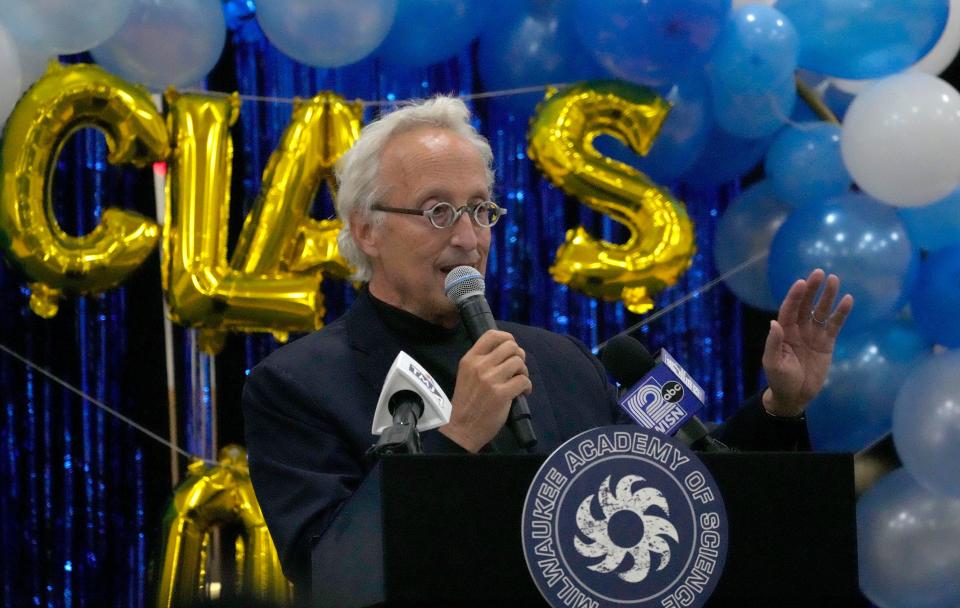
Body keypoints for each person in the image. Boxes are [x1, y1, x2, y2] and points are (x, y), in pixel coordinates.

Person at [240, 96, 853, 590]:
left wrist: (780, 408)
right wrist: (457, 440)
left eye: (481, 210)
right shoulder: (298, 384)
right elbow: (327, 572)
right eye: (437, 212)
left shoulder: (560, 362)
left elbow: (682, 494)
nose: (467, 238)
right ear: (366, 231)